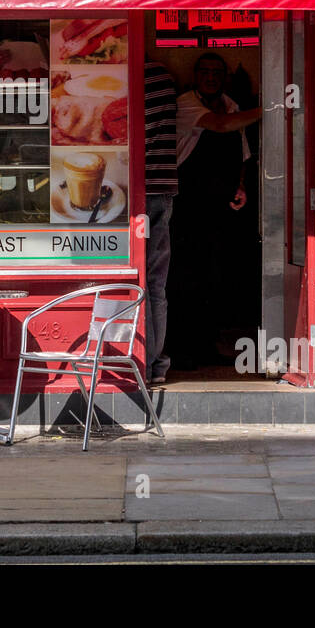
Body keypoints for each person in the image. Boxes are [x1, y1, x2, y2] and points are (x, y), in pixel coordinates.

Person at [170, 52, 262, 366]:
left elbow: (242, 153)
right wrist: (269, 109)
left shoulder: (233, 105)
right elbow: (221, 126)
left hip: (221, 208)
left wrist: (240, 185)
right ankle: (183, 349)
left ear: (223, 77)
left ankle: (207, 346)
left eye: (216, 72)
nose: (211, 77)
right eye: (205, 71)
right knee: (185, 278)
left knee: (216, 277)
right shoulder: (186, 103)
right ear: (196, 75)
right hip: (187, 205)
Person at [143, 56, 178, 387]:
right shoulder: (161, 75)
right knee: (155, 283)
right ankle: (155, 364)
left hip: (137, 190)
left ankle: (147, 361)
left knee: (142, 281)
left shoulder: (134, 75)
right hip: (163, 188)